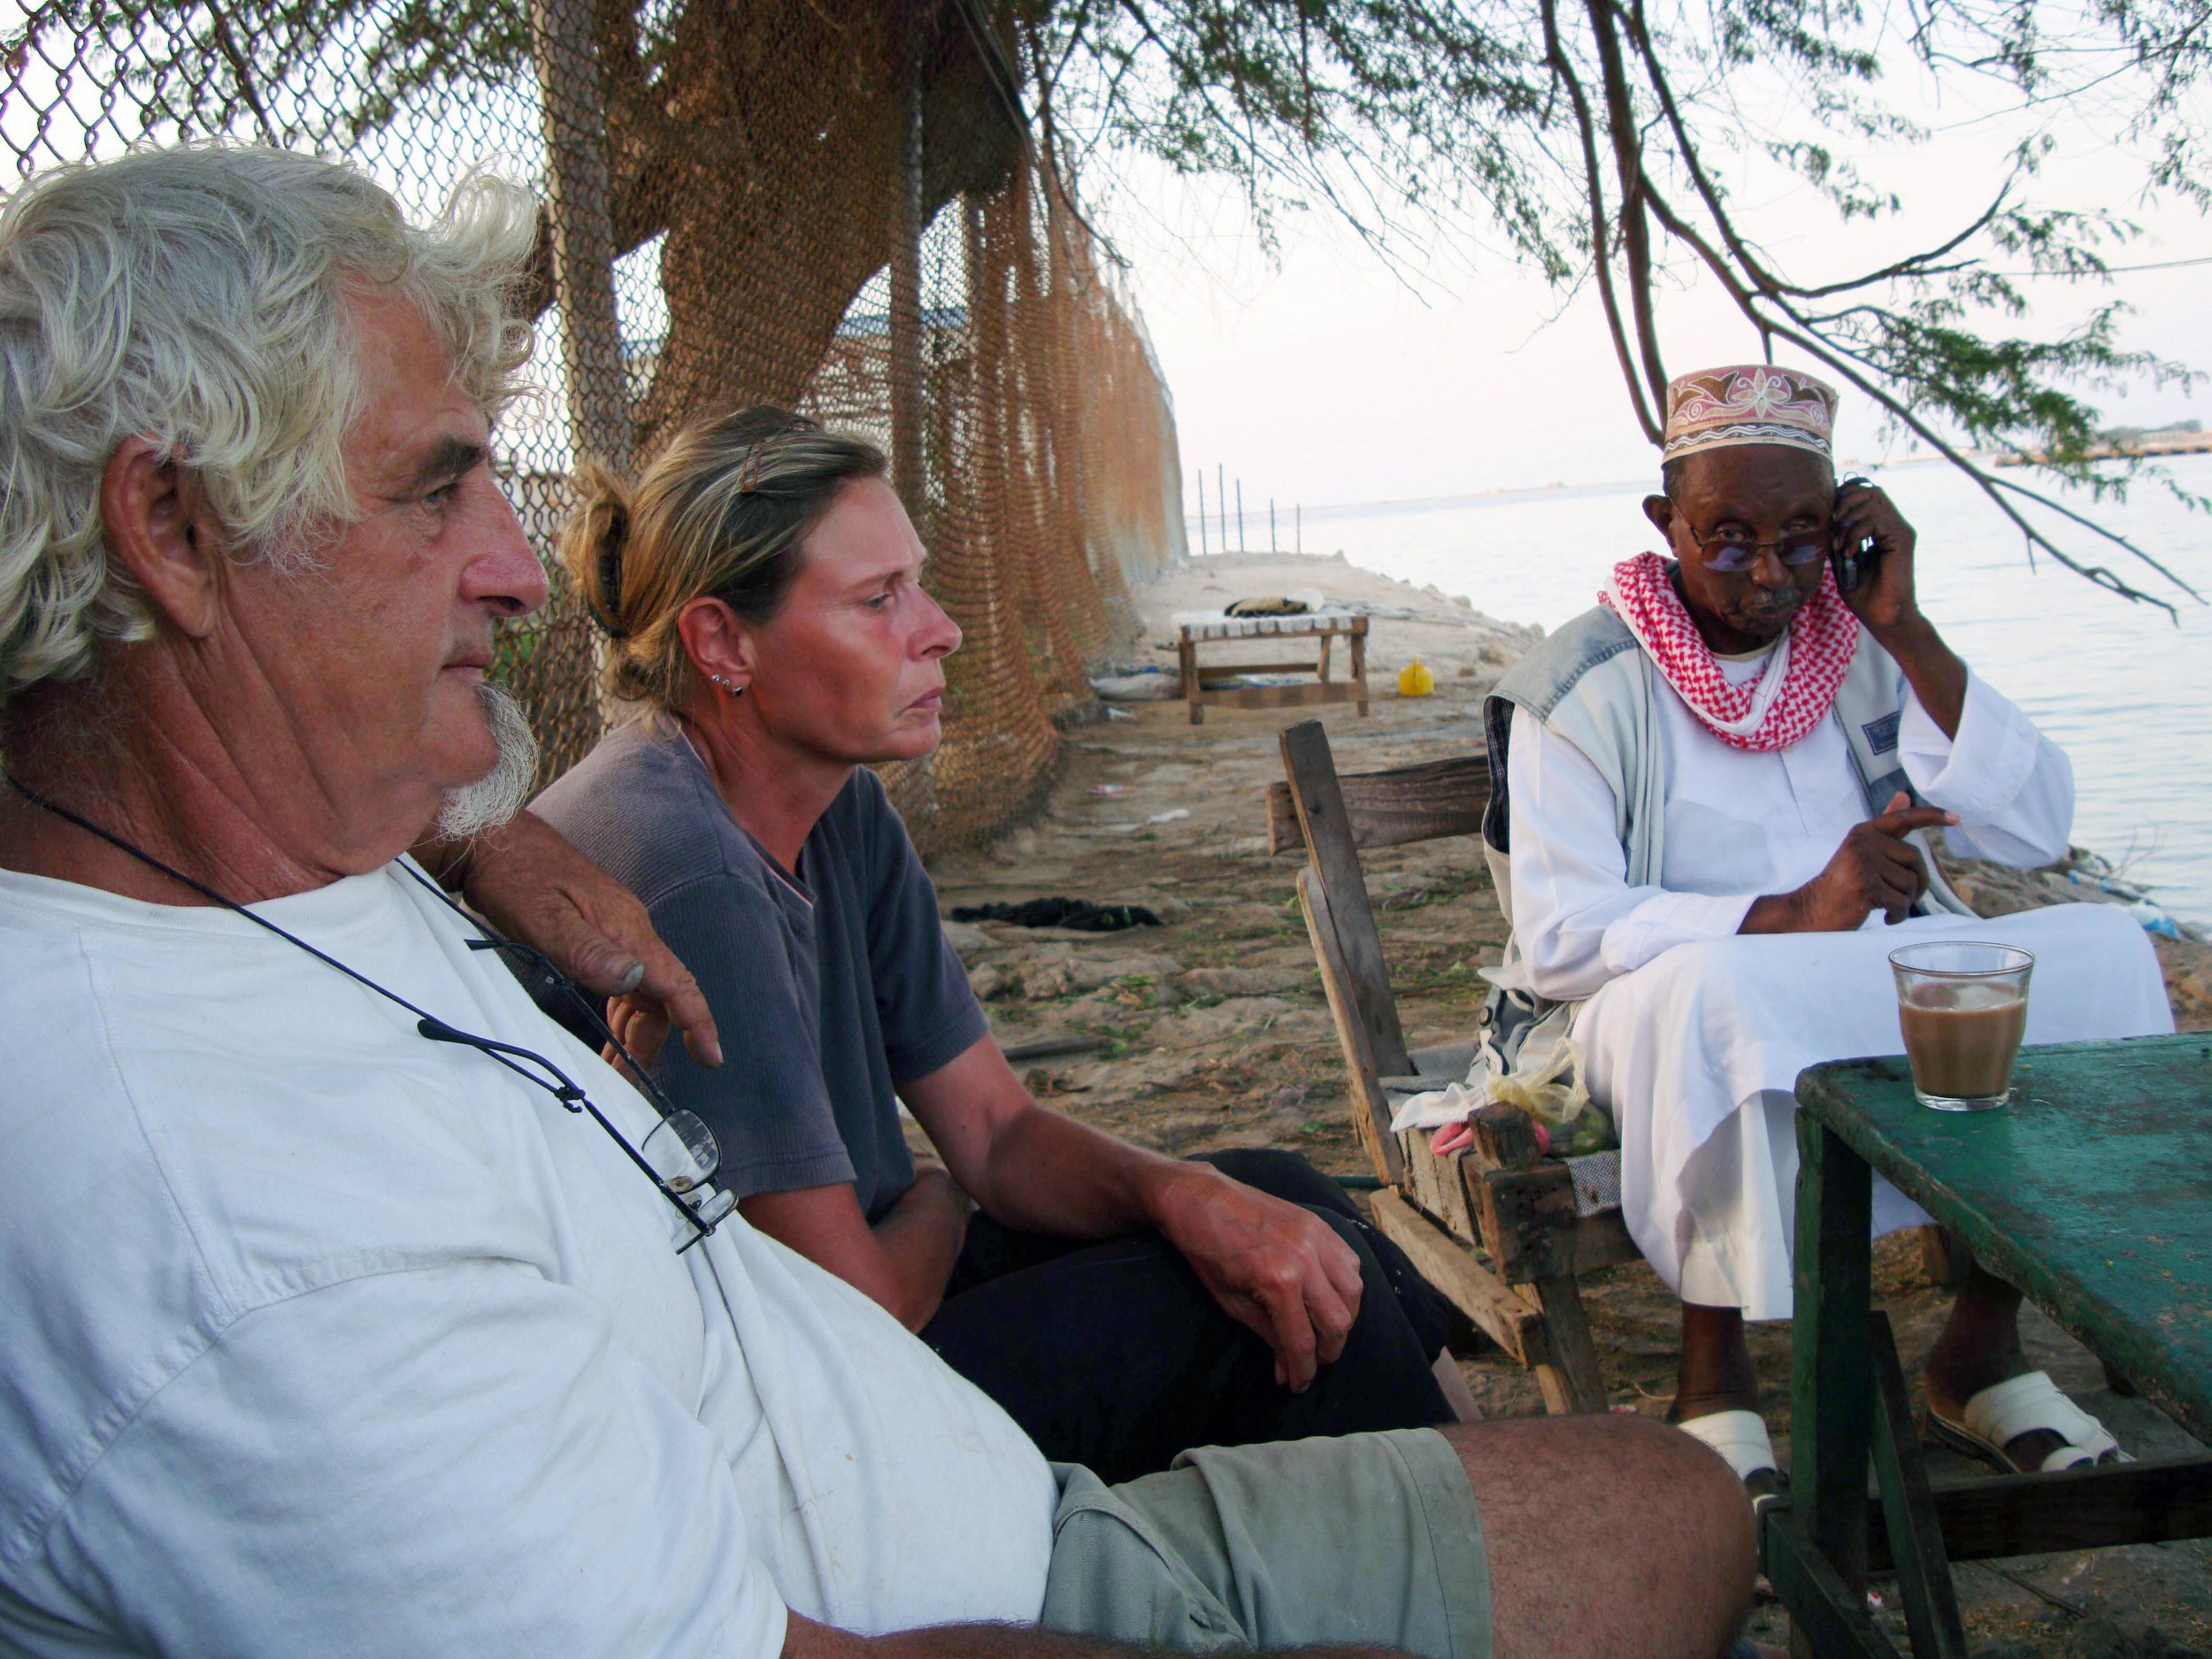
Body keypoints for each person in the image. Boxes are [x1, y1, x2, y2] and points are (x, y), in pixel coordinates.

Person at [0, 142, 1756, 1659]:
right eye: (428, 486)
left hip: (911, 1461)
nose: (516, 563)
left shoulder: (282, 841)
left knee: (1285, 1216)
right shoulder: (231, 1222)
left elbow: (979, 1130)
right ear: (172, 526)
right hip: (938, 1551)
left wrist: (472, 843)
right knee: (1650, 1506)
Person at [531, 406, 1474, 1483]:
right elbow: (862, 1314)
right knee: (1247, 1321)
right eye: (878, 600)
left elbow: (995, 1129)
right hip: (775, 1421)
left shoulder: (836, 802)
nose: (942, 629)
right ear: (721, 643)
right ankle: (1517, 1554)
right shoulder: (682, 868)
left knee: (1275, 1198)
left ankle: (1507, 1492)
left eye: (917, 585)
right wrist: (939, 1192)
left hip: (881, 1290)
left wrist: (1182, 1193)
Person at [1476, 363, 2174, 1499]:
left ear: (1842, 525)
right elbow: (1560, 939)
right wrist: (1793, 912)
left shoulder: (1854, 646)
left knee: (2101, 955)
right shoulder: (1584, 684)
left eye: (1801, 539)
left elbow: (2037, 828)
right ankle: (1714, 1378)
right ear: (1666, 524)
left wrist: (1903, 622)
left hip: (1854, 980)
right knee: (1730, 993)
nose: (1767, 573)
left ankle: (1981, 1350)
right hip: (1642, 1006)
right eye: (1728, 538)